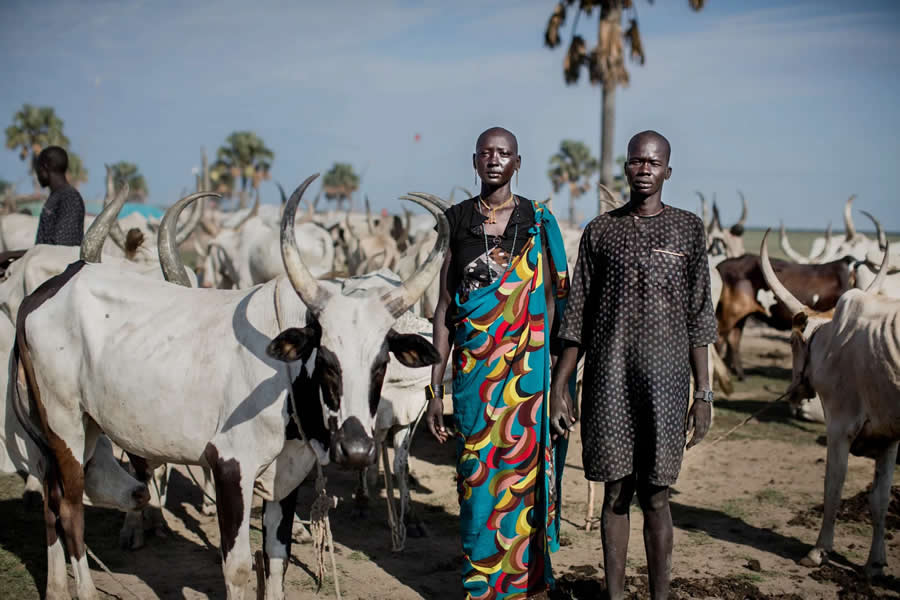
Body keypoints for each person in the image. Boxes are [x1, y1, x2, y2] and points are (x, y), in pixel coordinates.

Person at [550, 130, 717, 600]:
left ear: (668, 170)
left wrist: (703, 393)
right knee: (615, 493)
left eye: (653, 162)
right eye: (636, 161)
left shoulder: (687, 229)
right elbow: (578, 313)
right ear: (626, 168)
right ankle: (615, 594)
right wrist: (561, 384)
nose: (644, 169)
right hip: (608, 381)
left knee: (657, 495)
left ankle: (661, 595)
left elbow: (699, 314)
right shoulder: (601, 231)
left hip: (666, 385)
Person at [426, 127, 575, 599]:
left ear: (517, 162)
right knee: (477, 485)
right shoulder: (454, 221)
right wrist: (436, 387)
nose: (495, 160)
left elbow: (556, 304)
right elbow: (445, 309)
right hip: (474, 380)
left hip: (529, 385)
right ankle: (482, 585)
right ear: (474, 161)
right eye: (487, 153)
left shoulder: (538, 220)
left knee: (526, 485)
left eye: (504, 153)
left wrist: (558, 383)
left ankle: (529, 588)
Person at [34, 146, 85, 246]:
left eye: (38, 168)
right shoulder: (56, 196)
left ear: (46, 167)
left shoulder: (69, 198)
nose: (37, 174)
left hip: (58, 261)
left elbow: (61, 245)